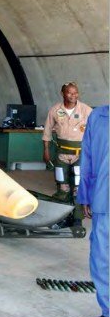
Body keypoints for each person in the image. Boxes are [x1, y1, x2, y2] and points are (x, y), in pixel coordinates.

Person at [42, 82, 93, 225]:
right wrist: (45, 150)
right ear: (63, 93)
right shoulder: (55, 110)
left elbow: (97, 127)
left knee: (77, 187)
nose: (73, 95)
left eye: (76, 92)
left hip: (80, 154)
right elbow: (47, 131)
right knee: (62, 187)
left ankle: (77, 219)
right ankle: (61, 218)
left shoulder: (85, 110)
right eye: (70, 93)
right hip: (61, 154)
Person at [77, 105, 108, 317]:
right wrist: (85, 194)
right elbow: (86, 156)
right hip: (104, 197)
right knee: (101, 257)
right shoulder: (98, 116)